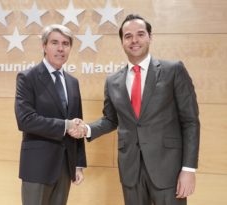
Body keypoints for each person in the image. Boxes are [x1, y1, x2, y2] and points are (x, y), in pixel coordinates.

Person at [69, 14, 200, 205]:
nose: (134, 40)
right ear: (122, 41)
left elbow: (190, 122)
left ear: (150, 37)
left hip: (168, 169)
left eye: (140, 34)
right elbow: (110, 119)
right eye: (128, 36)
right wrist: (86, 129)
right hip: (131, 170)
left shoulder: (173, 70)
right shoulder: (113, 81)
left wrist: (188, 169)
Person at [14, 24, 87, 205]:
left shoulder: (72, 82)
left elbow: (77, 123)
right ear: (44, 46)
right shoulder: (27, 77)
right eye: (54, 42)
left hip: (65, 166)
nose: (60, 48)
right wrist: (65, 125)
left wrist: (78, 164)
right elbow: (25, 120)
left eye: (65, 43)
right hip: (38, 166)